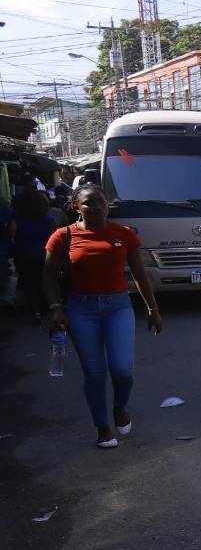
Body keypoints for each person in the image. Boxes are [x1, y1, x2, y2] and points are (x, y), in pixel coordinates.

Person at [43, 184, 163, 449]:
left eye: (101, 202)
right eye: (89, 203)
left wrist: (153, 310)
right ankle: (102, 427)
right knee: (95, 373)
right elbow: (48, 276)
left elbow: (140, 275)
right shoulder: (63, 237)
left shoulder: (123, 234)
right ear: (76, 206)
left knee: (122, 369)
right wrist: (55, 307)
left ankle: (119, 406)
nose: (97, 207)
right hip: (80, 309)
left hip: (117, 307)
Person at [12, 190, 56, 322]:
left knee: (28, 282)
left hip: (23, 254)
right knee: (42, 280)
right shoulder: (48, 219)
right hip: (43, 254)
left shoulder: (17, 218)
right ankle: (43, 307)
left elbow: (12, 233)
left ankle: (34, 309)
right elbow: (53, 239)